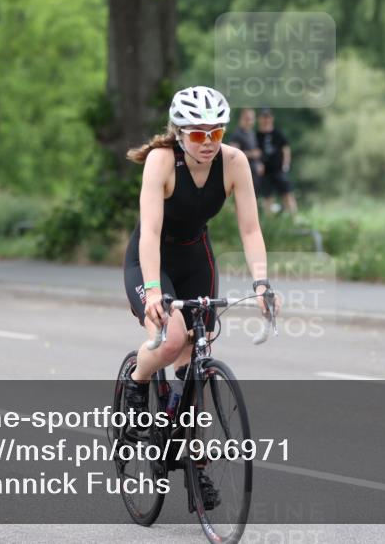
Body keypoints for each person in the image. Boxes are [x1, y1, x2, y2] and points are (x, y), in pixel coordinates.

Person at [123, 86, 280, 509]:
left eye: (216, 132)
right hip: (152, 259)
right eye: (197, 135)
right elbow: (150, 232)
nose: (208, 143)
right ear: (179, 134)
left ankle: (195, 467)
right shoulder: (161, 161)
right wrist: (154, 292)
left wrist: (261, 284)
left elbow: (250, 229)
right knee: (172, 338)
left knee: (196, 362)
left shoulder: (234, 162)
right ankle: (136, 381)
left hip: (196, 256)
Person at [256, 109, 297, 215]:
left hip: (278, 170)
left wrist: (285, 165)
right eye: (264, 117)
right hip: (265, 172)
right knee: (267, 197)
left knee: (287, 193)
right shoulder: (257, 135)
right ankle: (269, 221)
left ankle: (294, 217)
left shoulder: (277, 133)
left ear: (271, 118)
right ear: (259, 119)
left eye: (268, 117)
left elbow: (286, 149)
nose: (266, 120)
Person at [228, 107, 264, 190]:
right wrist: (252, 154)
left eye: (252, 119)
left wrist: (259, 163)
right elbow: (233, 155)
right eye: (247, 118)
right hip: (243, 174)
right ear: (242, 119)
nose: (250, 121)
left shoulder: (251, 133)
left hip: (255, 175)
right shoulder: (237, 134)